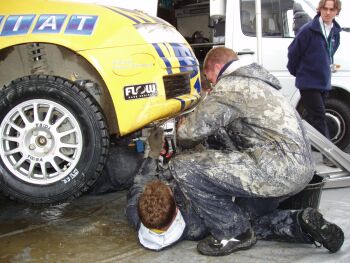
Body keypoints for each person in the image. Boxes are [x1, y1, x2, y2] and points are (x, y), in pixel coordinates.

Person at [126, 46, 344, 256]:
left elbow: (189, 133)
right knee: (243, 215)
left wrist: (169, 140)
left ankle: (233, 233)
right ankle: (299, 224)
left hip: (276, 169)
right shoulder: (257, 84)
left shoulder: (230, 87)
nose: (209, 83)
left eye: (207, 76)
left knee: (183, 167)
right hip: (296, 169)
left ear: (215, 67)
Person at [287, 0, 342, 166]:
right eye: (325, 8)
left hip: (324, 81)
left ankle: (296, 149)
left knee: (312, 119)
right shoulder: (308, 30)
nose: (327, 12)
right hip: (309, 82)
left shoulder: (336, 31)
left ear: (336, 12)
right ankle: (329, 155)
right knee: (319, 117)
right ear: (320, 9)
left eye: (331, 9)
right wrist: (299, 73)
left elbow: (330, 52)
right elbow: (293, 53)